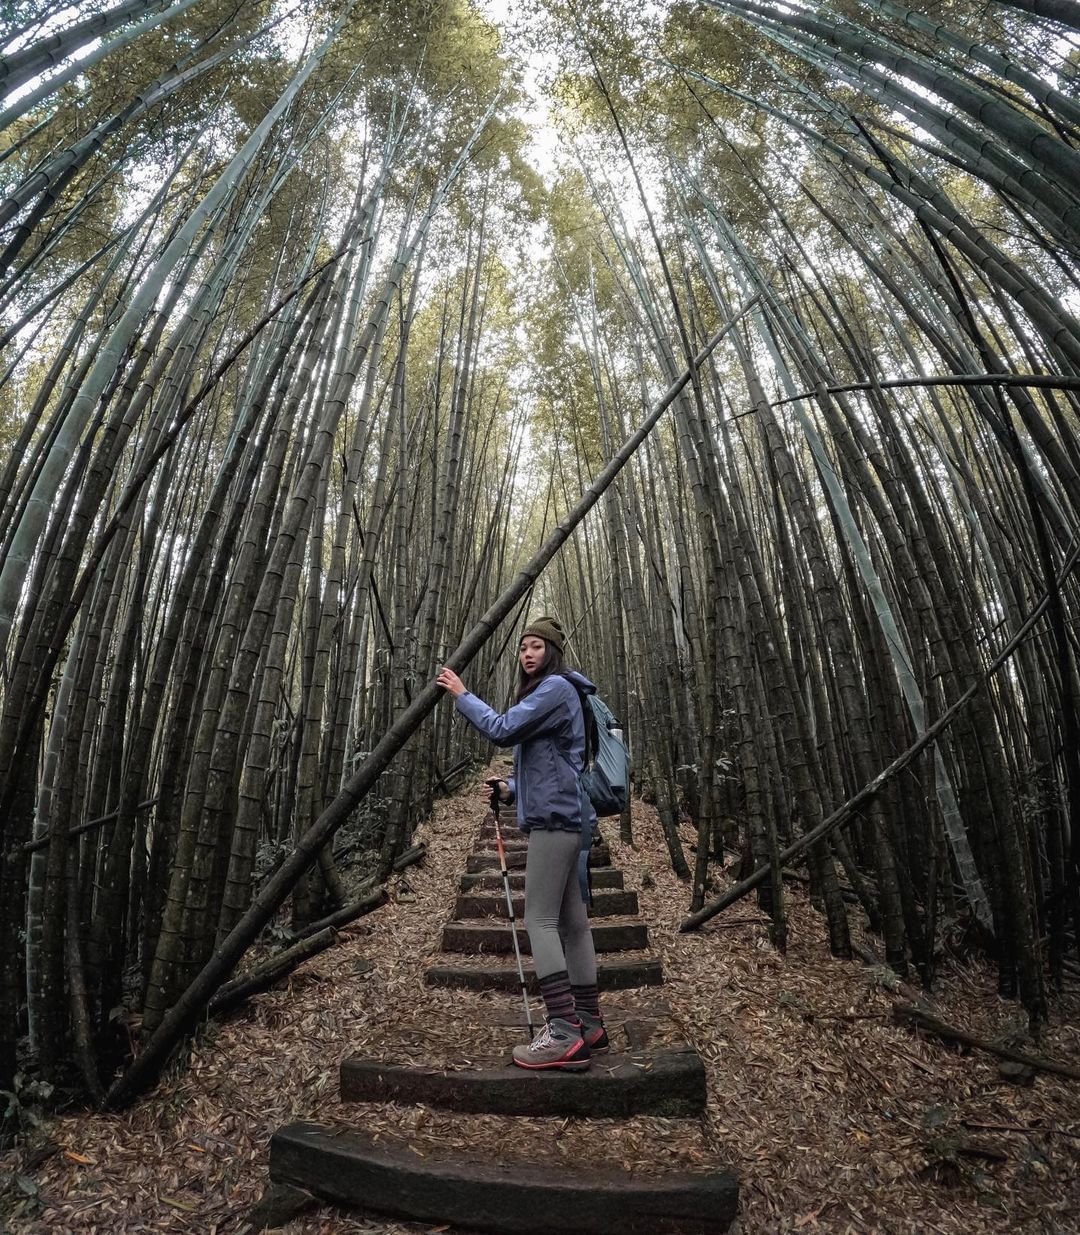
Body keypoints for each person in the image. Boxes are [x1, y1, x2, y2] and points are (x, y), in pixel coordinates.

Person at [436, 615, 609, 1071]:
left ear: (552, 650)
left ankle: (565, 1033)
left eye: (536, 646)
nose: (527, 653)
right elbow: (554, 760)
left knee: (539, 920)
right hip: (566, 814)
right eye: (523, 647)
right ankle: (589, 1022)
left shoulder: (555, 688)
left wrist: (462, 695)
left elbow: (501, 728)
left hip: (557, 819)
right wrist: (511, 789)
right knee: (572, 924)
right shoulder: (559, 692)